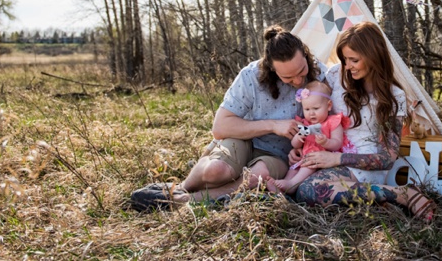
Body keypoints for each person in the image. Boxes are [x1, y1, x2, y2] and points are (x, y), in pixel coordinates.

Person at [131, 25, 326, 210]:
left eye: (301, 71)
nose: (298, 81)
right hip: (243, 140)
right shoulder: (251, 76)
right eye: (288, 78)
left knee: (257, 176)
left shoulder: (320, 75)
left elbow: (331, 116)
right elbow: (220, 127)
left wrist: (303, 148)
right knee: (216, 171)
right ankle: (182, 187)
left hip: (278, 155)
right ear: (272, 69)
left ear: (306, 54)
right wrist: (273, 125)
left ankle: (187, 200)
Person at [292, 21, 438, 222]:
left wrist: (337, 159)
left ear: (373, 57)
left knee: (310, 190)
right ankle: (378, 199)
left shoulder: (393, 97)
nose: (347, 66)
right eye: (345, 59)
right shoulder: (336, 75)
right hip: (331, 157)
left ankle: (403, 194)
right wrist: (304, 145)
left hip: (365, 166)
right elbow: (318, 113)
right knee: (303, 191)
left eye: (354, 60)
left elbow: (387, 157)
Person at [267, 80, 353, 194]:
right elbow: (295, 145)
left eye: (316, 109)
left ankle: (291, 186)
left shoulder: (333, 122)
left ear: (328, 106)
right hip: (305, 158)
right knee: (293, 169)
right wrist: (298, 138)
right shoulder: (305, 124)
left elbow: (337, 143)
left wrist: (325, 142)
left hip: (323, 158)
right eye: (307, 109)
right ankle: (283, 186)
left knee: (308, 166)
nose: (311, 113)